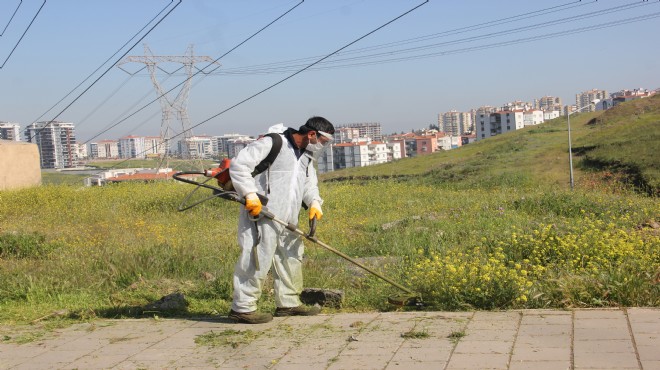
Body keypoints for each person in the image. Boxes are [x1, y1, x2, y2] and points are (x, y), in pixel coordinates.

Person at [228, 116, 335, 324]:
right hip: (262, 211)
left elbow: (308, 184)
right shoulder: (273, 142)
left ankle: (288, 303)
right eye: (324, 142)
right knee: (257, 257)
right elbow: (239, 165)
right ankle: (242, 307)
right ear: (311, 134)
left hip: (289, 216)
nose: (323, 147)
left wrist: (314, 202)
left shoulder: (306, 156)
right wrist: (250, 194)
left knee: (291, 256)